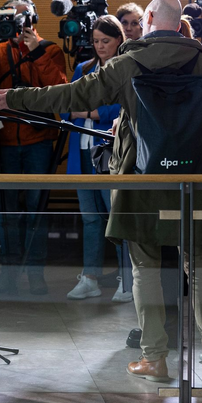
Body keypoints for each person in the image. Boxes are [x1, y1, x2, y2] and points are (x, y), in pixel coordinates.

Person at [0, 0, 202, 382]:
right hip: (193, 181)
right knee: (200, 265)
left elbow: (71, 94)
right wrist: (201, 165)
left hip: (141, 183)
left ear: (149, 18)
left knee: (146, 269)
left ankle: (155, 357)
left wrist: (14, 98)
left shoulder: (127, 63)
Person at [0, 0, 67, 295]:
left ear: (34, 18)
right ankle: (8, 273)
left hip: (38, 139)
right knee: (6, 208)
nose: (20, 21)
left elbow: (60, 88)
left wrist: (36, 52)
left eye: (25, 16)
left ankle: (36, 273)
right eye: (14, 16)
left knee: (38, 207)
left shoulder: (50, 49)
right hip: (6, 139)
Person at [59, 15, 130, 302]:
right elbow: (66, 107)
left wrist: (88, 112)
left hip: (110, 152)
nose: (101, 46)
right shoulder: (83, 68)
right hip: (82, 152)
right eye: (96, 41)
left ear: (118, 41)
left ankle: (128, 279)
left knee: (117, 218)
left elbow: (118, 111)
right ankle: (90, 277)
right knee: (90, 219)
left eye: (106, 41)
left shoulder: (124, 69)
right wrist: (90, 112)